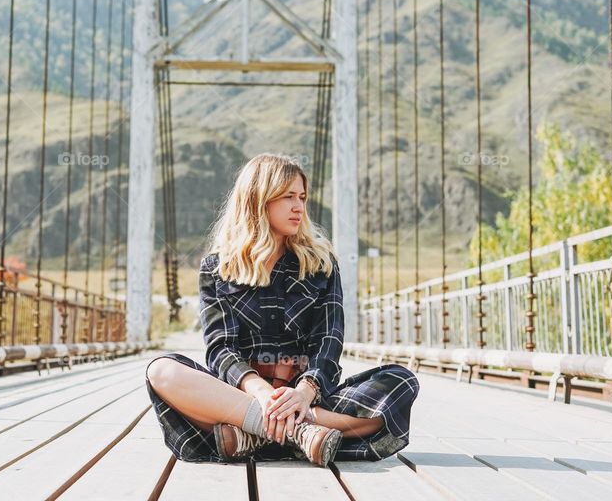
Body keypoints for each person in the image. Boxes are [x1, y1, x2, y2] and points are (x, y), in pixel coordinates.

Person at [144, 153, 419, 467]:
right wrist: (260, 393)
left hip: (307, 399)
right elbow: (220, 348)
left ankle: (256, 435)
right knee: (162, 371)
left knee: (401, 382)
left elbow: (328, 343)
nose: (299, 206)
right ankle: (299, 435)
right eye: (288, 196)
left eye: (302, 197)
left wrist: (303, 393)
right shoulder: (216, 269)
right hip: (242, 396)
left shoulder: (321, 265)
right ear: (259, 200)